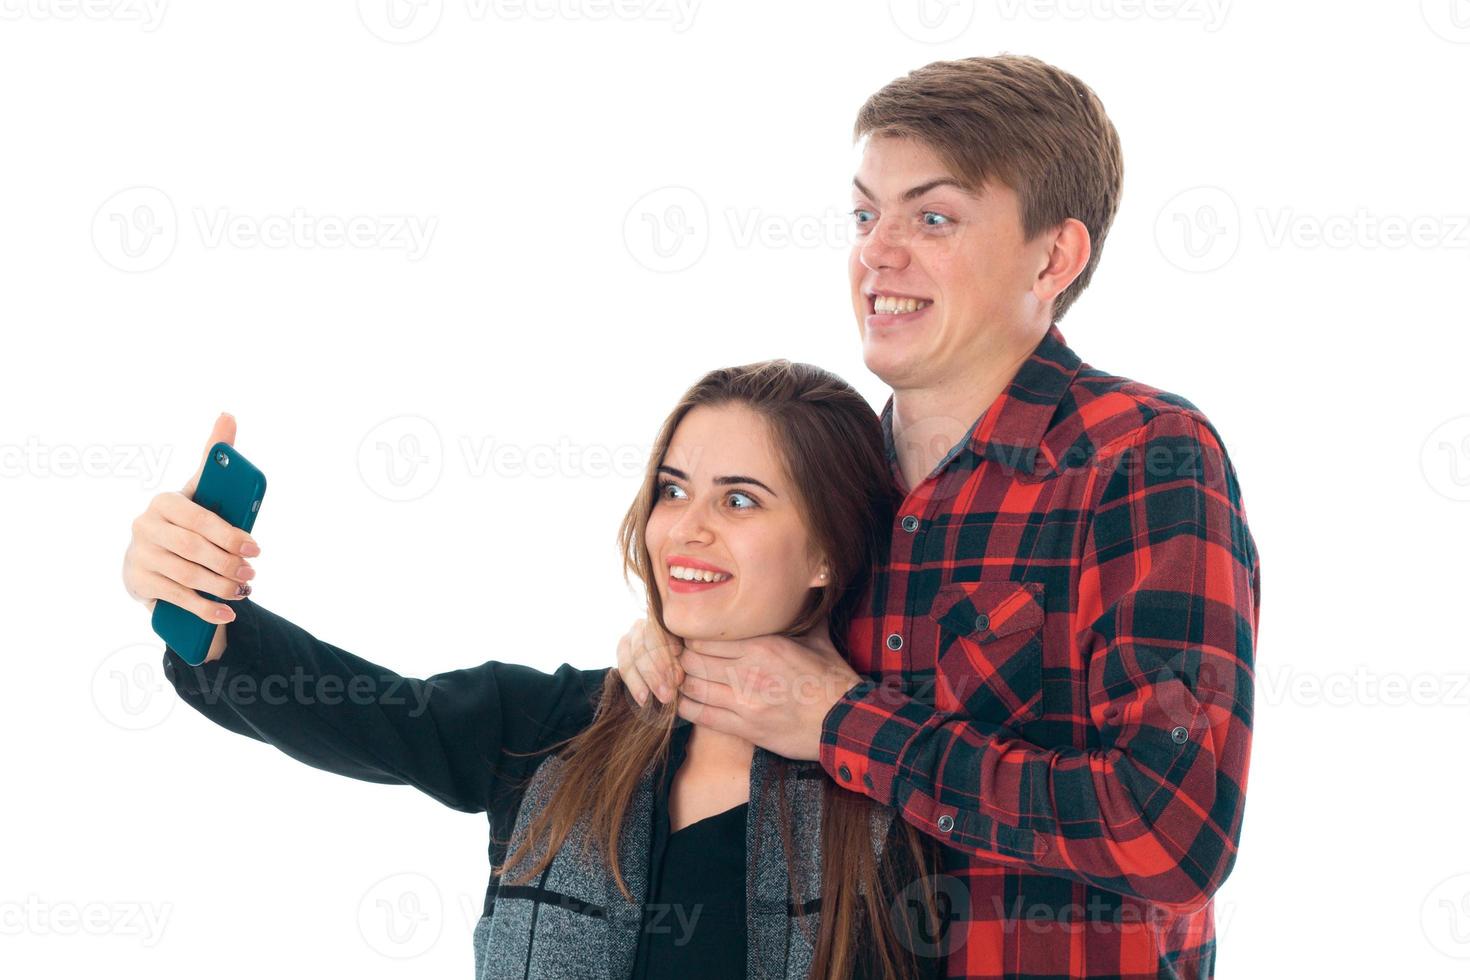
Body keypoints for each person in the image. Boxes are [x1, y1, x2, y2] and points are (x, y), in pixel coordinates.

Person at [617, 55, 1261, 980]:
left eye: (933, 217)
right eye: (864, 214)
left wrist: (844, 720)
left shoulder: (1144, 457)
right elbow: (760, 689)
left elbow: (1169, 833)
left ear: (1055, 257)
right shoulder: (833, 471)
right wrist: (668, 642)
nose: (877, 252)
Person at [121, 362, 951, 980]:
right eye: (672, 490)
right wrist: (203, 606)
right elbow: (361, 711)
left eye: (739, 500)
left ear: (826, 551)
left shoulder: (896, 789)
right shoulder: (558, 727)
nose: (684, 529)